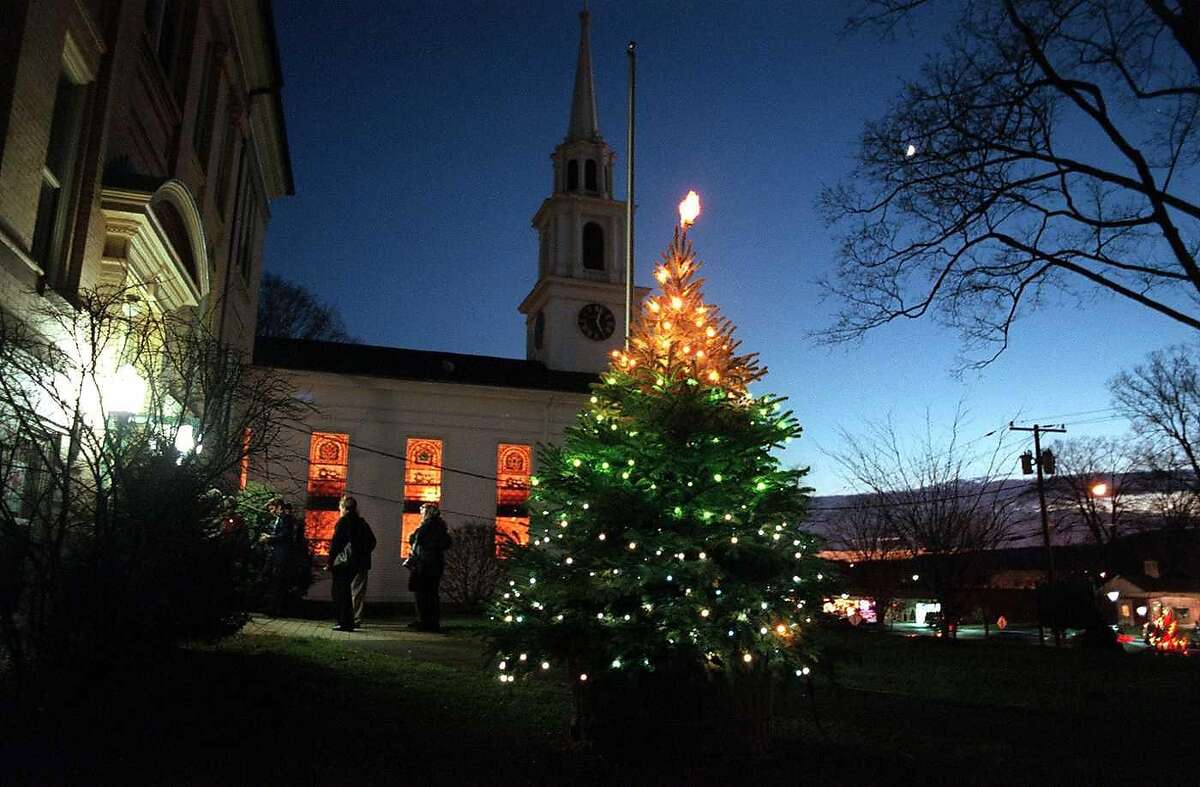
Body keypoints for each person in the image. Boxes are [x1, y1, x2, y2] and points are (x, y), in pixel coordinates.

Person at [405, 503, 452, 632]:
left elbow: (419, 540)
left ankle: (426, 621)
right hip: (432, 564)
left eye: (423, 511)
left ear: (428, 513)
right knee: (430, 593)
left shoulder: (428, 527)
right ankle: (429, 621)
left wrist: (415, 539)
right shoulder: (439, 527)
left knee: (423, 593)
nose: (421, 514)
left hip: (425, 564)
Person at [327, 495, 370, 632]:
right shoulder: (361, 522)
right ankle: (349, 621)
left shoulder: (344, 521)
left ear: (343, 508)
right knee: (351, 592)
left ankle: (344, 622)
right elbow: (372, 541)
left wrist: (330, 562)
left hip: (344, 563)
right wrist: (361, 553)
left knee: (340, 592)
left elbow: (336, 544)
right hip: (358, 563)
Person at [258, 497, 296, 616]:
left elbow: (284, 536)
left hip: (280, 555)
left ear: (279, 507)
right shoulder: (282, 519)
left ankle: (274, 608)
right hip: (277, 554)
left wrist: (269, 538)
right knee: (273, 580)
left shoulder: (285, 519)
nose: (271, 512)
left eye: (272, 509)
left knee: (277, 581)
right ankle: (272, 607)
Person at [352, 512, 377, 627]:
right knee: (358, 591)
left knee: (352, 591)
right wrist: (364, 553)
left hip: (352, 563)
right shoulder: (364, 525)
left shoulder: (346, 524)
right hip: (362, 563)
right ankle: (356, 618)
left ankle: (351, 617)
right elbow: (372, 541)